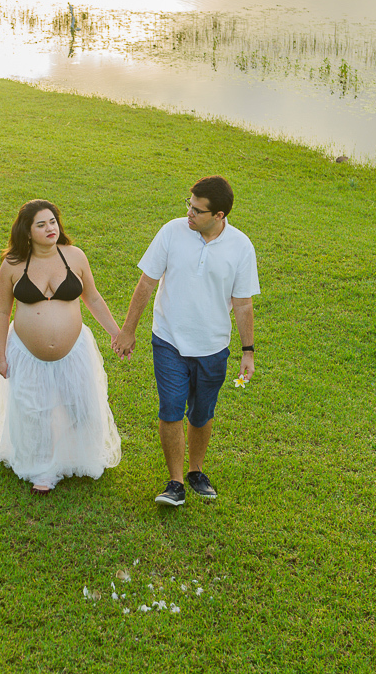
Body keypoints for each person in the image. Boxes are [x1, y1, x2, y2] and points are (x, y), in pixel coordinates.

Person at [112, 176, 259, 507]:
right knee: (171, 408)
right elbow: (146, 284)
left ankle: (196, 471)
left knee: (202, 413)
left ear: (219, 215)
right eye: (189, 206)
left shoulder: (241, 247)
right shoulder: (172, 232)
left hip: (213, 347)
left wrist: (247, 351)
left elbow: (243, 303)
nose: (189, 214)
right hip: (169, 341)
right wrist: (128, 330)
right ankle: (175, 481)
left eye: (197, 210)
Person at [0, 199, 123, 494]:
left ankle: (74, 457)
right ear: (27, 232)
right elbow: (1, 311)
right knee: (35, 411)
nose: (50, 228)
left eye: (53, 221)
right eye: (41, 224)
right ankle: (43, 469)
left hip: (75, 350)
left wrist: (117, 333)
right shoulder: (12, 265)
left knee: (80, 407)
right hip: (25, 352)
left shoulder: (74, 256)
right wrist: (0, 354)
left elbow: (94, 298)